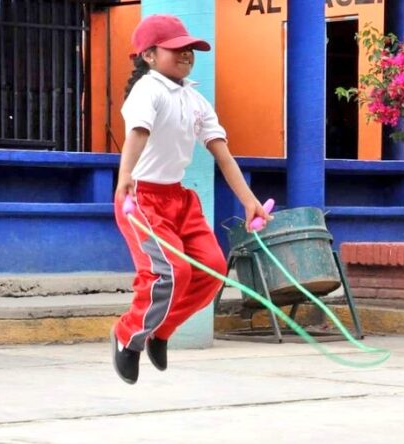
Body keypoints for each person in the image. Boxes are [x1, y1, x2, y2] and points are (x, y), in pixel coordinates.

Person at [111, 14, 271, 385]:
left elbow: (222, 152)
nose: (186, 54)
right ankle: (128, 335)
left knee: (212, 270)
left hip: (180, 200)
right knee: (169, 273)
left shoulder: (194, 98)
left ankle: (161, 332)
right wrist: (125, 178)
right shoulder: (147, 91)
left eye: (190, 49)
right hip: (142, 198)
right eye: (176, 49)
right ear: (149, 55)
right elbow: (137, 132)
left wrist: (250, 201)